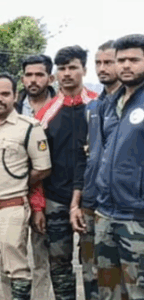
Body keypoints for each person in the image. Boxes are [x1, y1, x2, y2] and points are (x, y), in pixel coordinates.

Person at [0, 74, 51, 300]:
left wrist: (15, 184)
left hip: (10, 209)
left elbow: (43, 169)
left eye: (5, 94)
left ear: (15, 96)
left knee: (17, 270)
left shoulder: (28, 128)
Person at [28, 46, 95, 300]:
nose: (67, 74)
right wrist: (38, 205)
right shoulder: (45, 113)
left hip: (91, 201)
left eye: (73, 68)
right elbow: (36, 162)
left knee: (94, 263)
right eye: (62, 69)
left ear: (84, 70)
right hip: (55, 200)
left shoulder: (98, 108)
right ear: (56, 74)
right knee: (59, 264)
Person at [91, 34, 144, 300]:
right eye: (121, 60)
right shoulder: (109, 104)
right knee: (108, 292)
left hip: (137, 217)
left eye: (134, 59)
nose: (125, 65)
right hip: (105, 213)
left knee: (138, 291)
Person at [73, 40, 120, 300]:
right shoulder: (92, 108)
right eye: (99, 63)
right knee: (90, 274)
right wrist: (76, 203)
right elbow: (84, 159)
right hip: (90, 204)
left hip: (120, 208)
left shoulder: (131, 107)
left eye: (109, 62)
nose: (103, 68)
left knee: (119, 279)